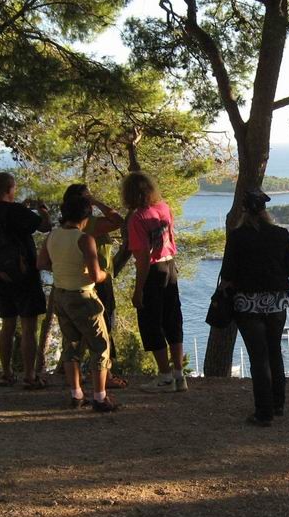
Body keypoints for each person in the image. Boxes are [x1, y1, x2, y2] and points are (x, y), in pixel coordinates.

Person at [220, 189, 289, 426]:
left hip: (247, 304)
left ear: (244, 212)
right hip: (276, 302)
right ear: (265, 211)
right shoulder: (281, 234)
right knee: (274, 350)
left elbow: (227, 273)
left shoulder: (236, 237)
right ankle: (278, 404)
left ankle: (263, 412)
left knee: (258, 356)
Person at [36, 193, 118, 412]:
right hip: (83, 296)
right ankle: (100, 397)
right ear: (86, 215)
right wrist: (105, 275)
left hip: (61, 295)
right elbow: (94, 275)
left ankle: (76, 394)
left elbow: (41, 262)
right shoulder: (84, 239)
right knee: (100, 345)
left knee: (70, 345)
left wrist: (62, 270)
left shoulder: (52, 236)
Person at [0, 172, 51, 389]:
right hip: (26, 275)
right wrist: (42, 211)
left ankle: (6, 373)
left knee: (7, 325)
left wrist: (22, 209)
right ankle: (29, 375)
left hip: (0, 276)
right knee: (29, 327)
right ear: (11, 188)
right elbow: (45, 226)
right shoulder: (17, 212)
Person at [122, 171, 187, 393]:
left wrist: (138, 290)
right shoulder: (164, 208)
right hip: (170, 267)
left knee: (152, 322)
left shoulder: (137, 218)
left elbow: (142, 259)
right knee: (172, 319)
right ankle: (179, 375)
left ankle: (165, 377)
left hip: (153, 271)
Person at [61, 183, 128, 390]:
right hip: (98, 279)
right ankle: (104, 376)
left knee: (75, 333)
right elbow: (119, 221)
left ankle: (76, 376)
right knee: (104, 327)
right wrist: (97, 202)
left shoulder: (64, 227)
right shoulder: (91, 224)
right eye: (86, 198)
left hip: (74, 281)